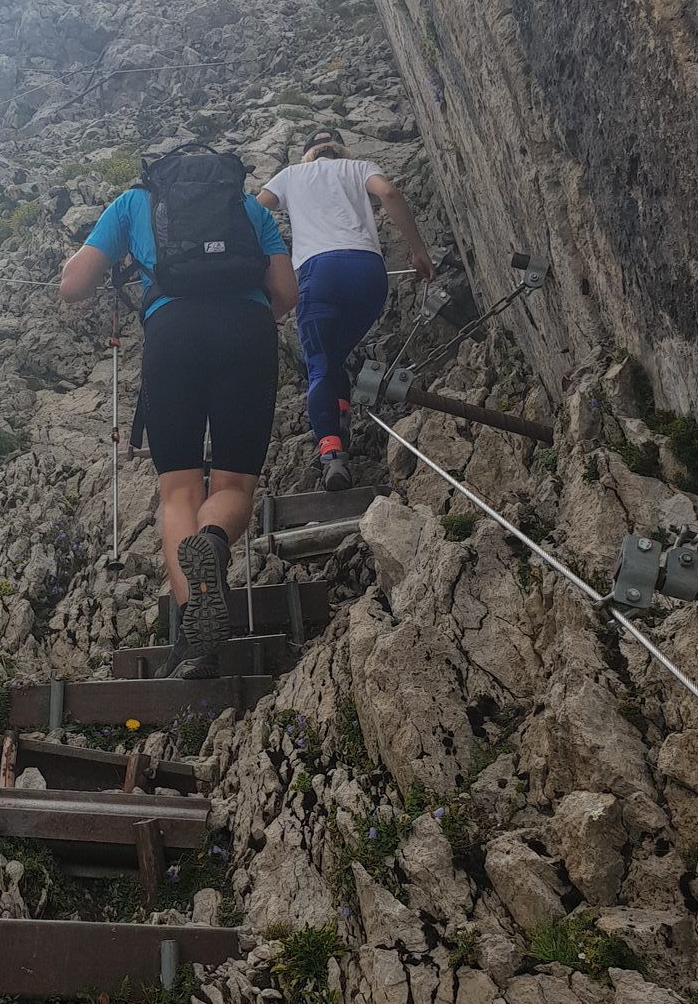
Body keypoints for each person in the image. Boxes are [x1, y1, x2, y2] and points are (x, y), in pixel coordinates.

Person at [60, 145, 297, 678]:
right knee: (234, 484)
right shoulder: (248, 210)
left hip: (171, 335)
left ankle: (196, 637)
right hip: (247, 333)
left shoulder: (131, 205)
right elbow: (286, 291)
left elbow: (73, 287)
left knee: (179, 489)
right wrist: (256, 319)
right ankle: (213, 546)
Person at [258, 128, 434, 490]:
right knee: (335, 356)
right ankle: (340, 419)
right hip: (369, 274)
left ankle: (332, 454)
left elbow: (254, 211)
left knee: (319, 364)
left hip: (320, 273)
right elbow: (388, 192)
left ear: (308, 153)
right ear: (340, 149)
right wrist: (418, 250)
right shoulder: (358, 166)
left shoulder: (291, 174)